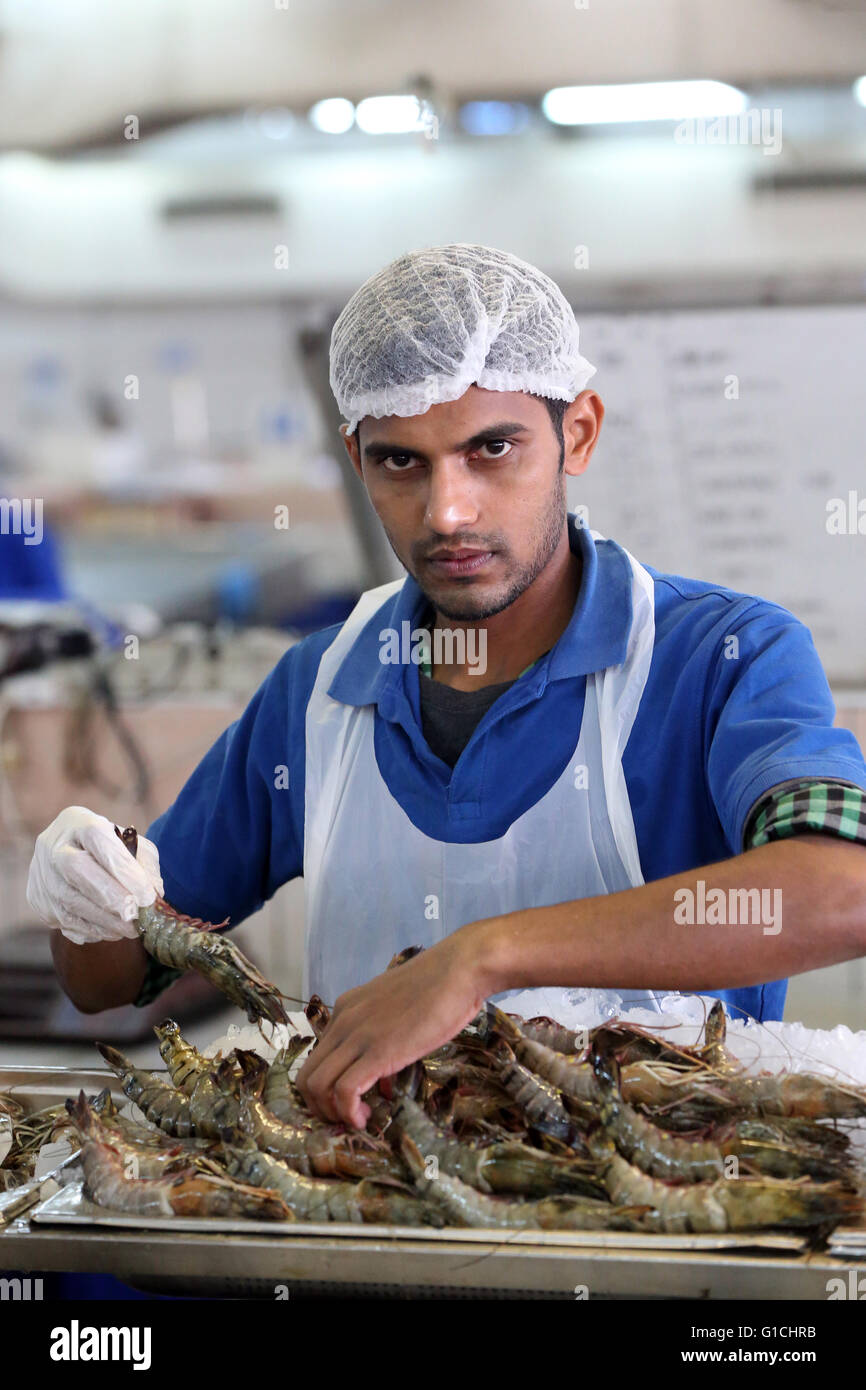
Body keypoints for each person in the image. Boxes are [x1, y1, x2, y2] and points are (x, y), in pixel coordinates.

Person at [27, 244, 866, 1130]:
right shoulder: (320, 690)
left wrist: (479, 960)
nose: (448, 512)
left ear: (579, 433)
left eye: (492, 449)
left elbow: (841, 891)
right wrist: (87, 895)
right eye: (402, 463)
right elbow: (106, 983)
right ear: (355, 458)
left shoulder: (721, 657)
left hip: (662, 1201)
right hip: (372, 1196)